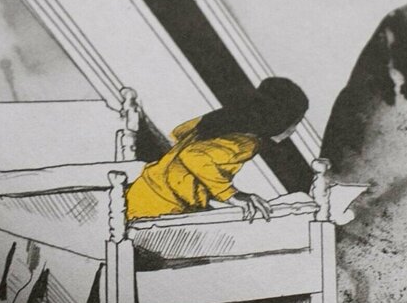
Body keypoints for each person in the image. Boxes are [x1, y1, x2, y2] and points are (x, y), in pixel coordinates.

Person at [124, 78, 309, 223]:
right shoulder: (248, 143)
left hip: (140, 194)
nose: (293, 131)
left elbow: (178, 132)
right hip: (159, 209)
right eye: (295, 123)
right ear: (279, 121)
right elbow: (193, 156)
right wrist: (232, 195)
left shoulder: (218, 120)